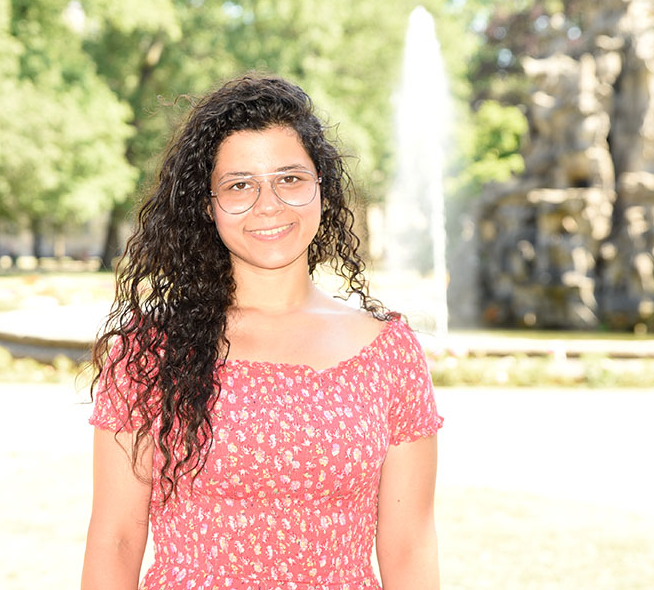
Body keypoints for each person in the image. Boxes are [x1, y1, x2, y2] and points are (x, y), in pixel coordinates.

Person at [81, 75, 443, 589]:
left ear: (323, 187)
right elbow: (115, 539)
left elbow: (410, 547)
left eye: (290, 178)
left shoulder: (389, 354)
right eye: (239, 185)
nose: (268, 204)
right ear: (206, 206)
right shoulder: (150, 352)